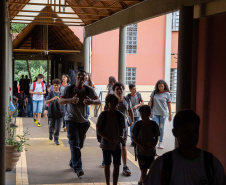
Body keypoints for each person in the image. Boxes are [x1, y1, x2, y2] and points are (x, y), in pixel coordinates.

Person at [144, 109, 226, 185]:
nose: (191, 136)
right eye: (186, 132)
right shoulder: (161, 165)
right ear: (174, 132)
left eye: (195, 131)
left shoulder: (212, 165)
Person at [59, 69, 101, 177]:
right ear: (76, 77)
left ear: (86, 78)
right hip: (71, 120)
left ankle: (72, 162)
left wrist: (91, 102)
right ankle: (78, 168)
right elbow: (60, 101)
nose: (82, 77)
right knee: (74, 144)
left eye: (84, 76)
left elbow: (99, 101)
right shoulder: (69, 88)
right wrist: (70, 100)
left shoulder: (88, 89)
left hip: (83, 122)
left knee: (79, 144)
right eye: (79, 75)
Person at [105, 82, 134, 175]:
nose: (119, 90)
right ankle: (106, 160)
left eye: (121, 89)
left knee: (123, 145)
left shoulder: (126, 100)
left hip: (123, 127)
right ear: (113, 90)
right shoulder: (110, 100)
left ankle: (125, 166)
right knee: (111, 144)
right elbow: (105, 112)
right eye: (117, 89)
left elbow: (130, 110)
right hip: (112, 127)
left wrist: (132, 120)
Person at [96, 94, 125, 185]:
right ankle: (108, 183)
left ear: (117, 103)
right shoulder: (103, 115)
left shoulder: (120, 115)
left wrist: (121, 138)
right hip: (106, 145)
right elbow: (98, 131)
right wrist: (108, 139)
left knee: (117, 165)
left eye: (114, 102)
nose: (113, 104)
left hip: (117, 145)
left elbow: (122, 129)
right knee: (107, 165)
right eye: (111, 102)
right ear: (107, 103)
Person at [132, 105, 160, 185]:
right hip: (141, 152)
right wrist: (141, 146)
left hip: (150, 152)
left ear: (149, 114)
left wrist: (153, 145)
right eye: (141, 114)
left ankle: (141, 182)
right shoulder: (138, 124)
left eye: (144, 114)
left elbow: (156, 138)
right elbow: (134, 137)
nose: (142, 116)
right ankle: (142, 182)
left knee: (150, 171)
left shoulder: (154, 125)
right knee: (143, 171)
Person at [148, 80, 172, 149]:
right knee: (155, 127)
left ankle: (160, 142)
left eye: (162, 86)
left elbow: (169, 105)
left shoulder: (167, 94)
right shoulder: (154, 92)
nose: (160, 88)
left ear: (164, 86)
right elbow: (150, 101)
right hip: (155, 113)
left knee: (161, 128)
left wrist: (170, 114)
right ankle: (154, 141)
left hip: (163, 114)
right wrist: (149, 111)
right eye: (159, 86)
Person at [46, 79, 64, 145]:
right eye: (54, 85)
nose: (56, 87)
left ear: (59, 85)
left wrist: (60, 100)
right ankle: (50, 133)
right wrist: (52, 99)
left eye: (57, 85)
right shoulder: (51, 93)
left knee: (58, 127)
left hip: (60, 113)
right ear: (53, 86)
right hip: (51, 112)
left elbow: (64, 104)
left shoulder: (61, 94)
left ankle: (56, 139)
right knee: (51, 125)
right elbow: (46, 101)